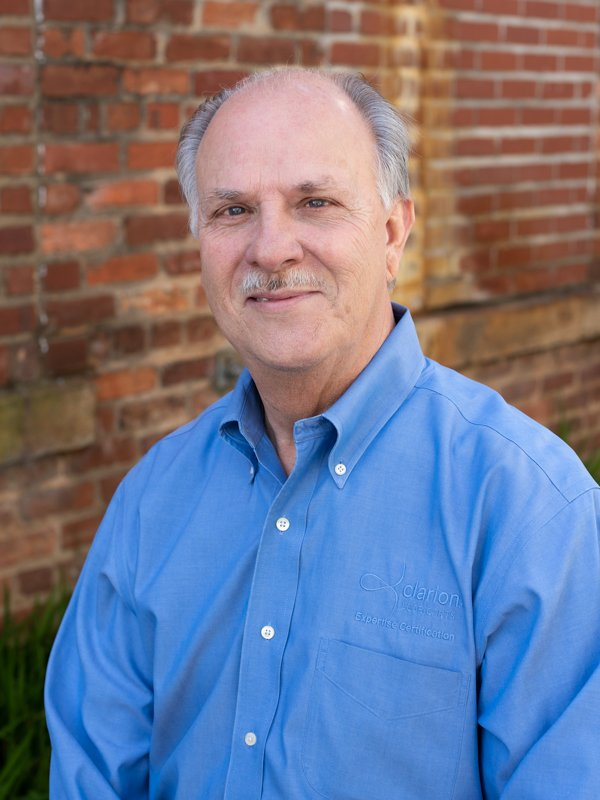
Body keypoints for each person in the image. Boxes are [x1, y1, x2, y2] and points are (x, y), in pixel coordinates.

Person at [45, 68, 600, 800]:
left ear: (395, 231)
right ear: (200, 244)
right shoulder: (152, 500)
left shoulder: (530, 510)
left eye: (315, 201)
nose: (271, 249)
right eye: (233, 210)